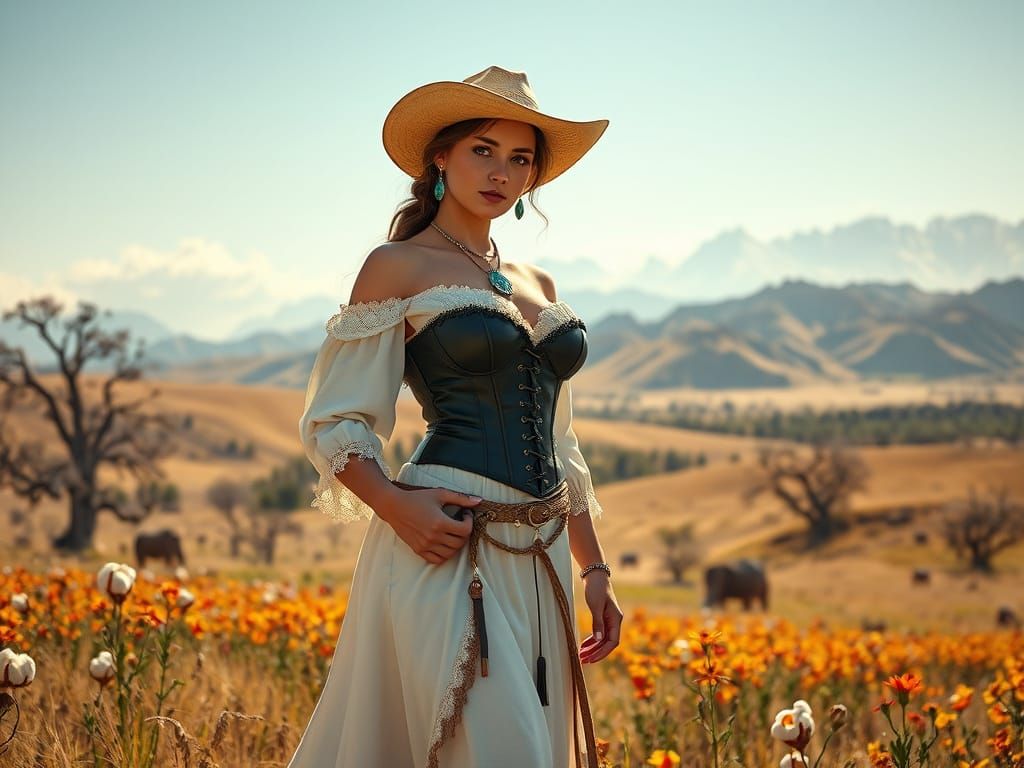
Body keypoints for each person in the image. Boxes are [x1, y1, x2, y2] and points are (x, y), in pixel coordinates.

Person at [289, 65, 623, 768]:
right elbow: (337, 419)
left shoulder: (540, 285)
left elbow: (562, 441)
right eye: (482, 149)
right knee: (500, 752)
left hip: (546, 557)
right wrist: (396, 507)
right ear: (439, 156)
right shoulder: (397, 266)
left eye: (520, 158)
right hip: (447, 543)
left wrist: (595, 571)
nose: (501, 171)